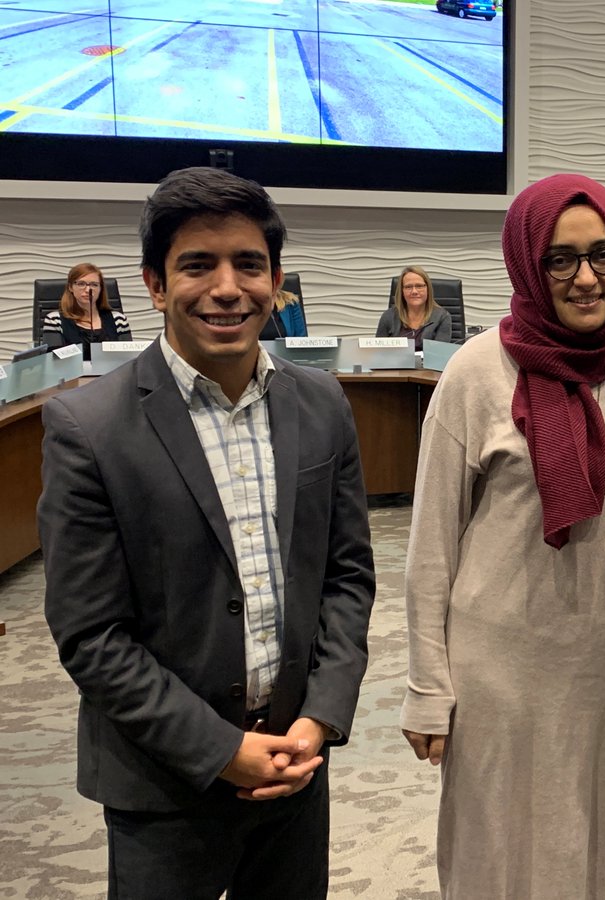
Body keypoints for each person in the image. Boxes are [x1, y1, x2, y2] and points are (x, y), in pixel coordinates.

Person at [39, 166, 376, 899]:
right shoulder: (87, 428)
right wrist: (222, 750)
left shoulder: (322, 403)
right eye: (197, 265)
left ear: (276, 281)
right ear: (155, 285)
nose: (228, 288)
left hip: (295, 764)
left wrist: (320, 717)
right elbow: (90, 634)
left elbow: (347, 577)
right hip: (163, 781)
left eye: (249, 264)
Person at [400, 173, 605, 899]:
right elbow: (430, 549)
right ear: (526, 263)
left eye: (604, 255)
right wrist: (427, 687)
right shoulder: (477, 372)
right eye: (560, 259)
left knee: (600, 856)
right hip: (501, 671)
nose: (587, 278)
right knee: (499, 856)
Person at [41, 262, 133, 360]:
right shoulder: (54, 320)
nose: (88, 289)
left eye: (94, 285)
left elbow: (128, 359)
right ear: (70, 287)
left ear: (101, 289)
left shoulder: (119, 320)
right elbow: (53, 360)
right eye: (81, 284)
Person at [375, 265, 453, 348]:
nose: (414, 291)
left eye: (419, 286)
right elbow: (378, 351)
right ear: (402, 291)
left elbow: (440, 352)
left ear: (428, 289)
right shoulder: (388, 316)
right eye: (408, 287)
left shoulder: (442, 317)